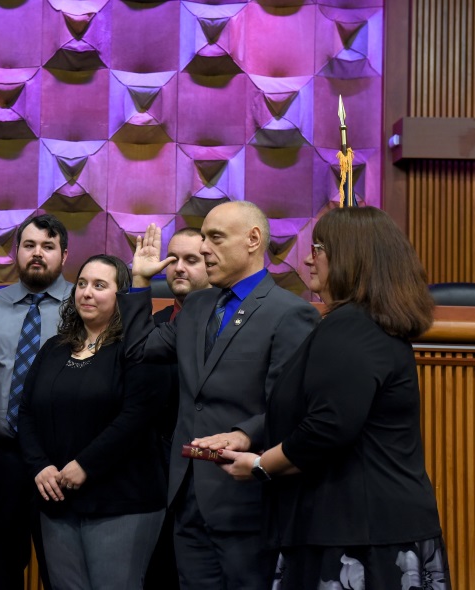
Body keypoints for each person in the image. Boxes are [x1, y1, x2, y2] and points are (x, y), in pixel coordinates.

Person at [219, 206, 451, 589]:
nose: (309, 258)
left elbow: (327, 428)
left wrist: (260, 465)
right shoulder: (368, 325)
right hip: (364, 526)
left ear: (350, 258)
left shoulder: (352, 328)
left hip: (356, 537)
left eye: (320, 248)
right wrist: (249, 437)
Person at [121, 201, 320, 589]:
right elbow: (138, 350)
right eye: (204, 237)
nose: (205, 248)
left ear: (253, 240)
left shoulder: (291, 313)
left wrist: (245, 432)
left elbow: (289, 407)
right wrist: (141, 282)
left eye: (215, 238)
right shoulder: (196, 305)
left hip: (246, 497)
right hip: (186, 495)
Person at [18, 254, 168, 590]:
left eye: (99, 285)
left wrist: (85, 464)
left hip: (122, 502)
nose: (86, 292)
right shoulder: (54, 348)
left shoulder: (141, 347)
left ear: (122, 294)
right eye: (82, 284)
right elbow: (26, 411)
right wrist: (39, 466)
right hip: (56, 499)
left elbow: (137, 417)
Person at [0, 214, 71, 589]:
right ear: (16, 252)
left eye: (47, 246)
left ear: (64, 254)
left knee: (60, 573)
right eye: (29, 246)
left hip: (59, 464)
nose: (37, 254)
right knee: (0, 572)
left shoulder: (84, 305)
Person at [146, 227, 210, 590]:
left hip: (203, 475)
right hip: (150, 479)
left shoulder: (225, 326)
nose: (179, 268)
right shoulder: (152, 327)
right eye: (172, 259)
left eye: (191, 260)